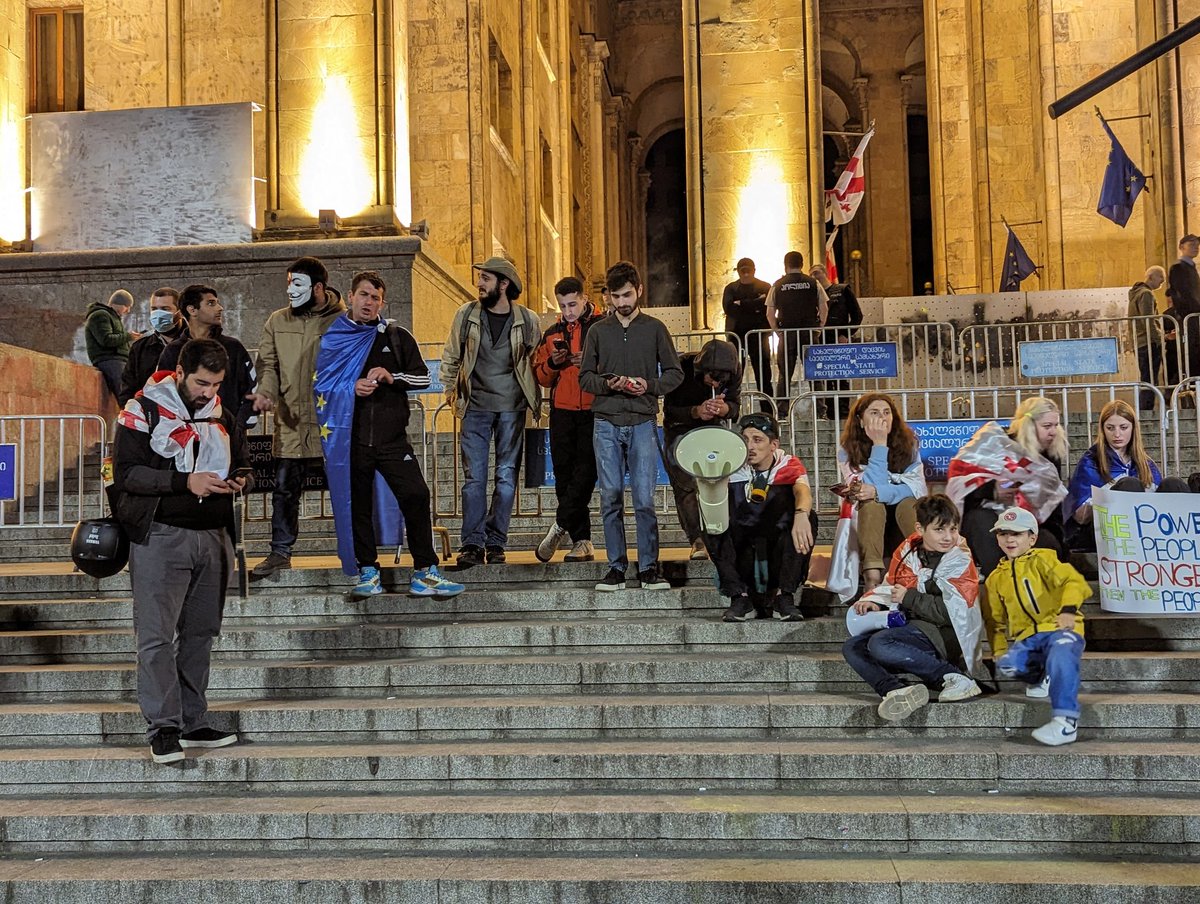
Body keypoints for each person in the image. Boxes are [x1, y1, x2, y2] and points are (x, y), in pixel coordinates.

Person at [111, 339, 249, 764]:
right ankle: (163, 727)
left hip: (213, 536)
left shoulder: (221, 414)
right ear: (179, 373)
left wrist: (242, 478)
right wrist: (183, 482)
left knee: (200, 635)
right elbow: (127, 473)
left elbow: (241, 459)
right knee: (155, 637)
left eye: (217, 384)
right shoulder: (143, 410)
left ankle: (194, 721)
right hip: (162, 535)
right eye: (201, 383)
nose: (209, 392)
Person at [314, 271, 464, 600]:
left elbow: (425, 379)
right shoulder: (335, 338)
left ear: (383, 302)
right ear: (351, 297)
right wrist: (350, 387)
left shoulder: (396, 336)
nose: (369, 302)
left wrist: (391, 375)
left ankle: (425, 571)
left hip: (393, 439)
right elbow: (321, 385)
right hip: (351, 440)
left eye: (376, 297)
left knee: (416, 495)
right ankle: (368, 571)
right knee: (359, 506)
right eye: (364, 295)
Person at [579, 260, 684, 591]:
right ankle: (616, 565)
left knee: (643, 499)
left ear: (639, 290)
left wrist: (648, 385)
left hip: (641, 419)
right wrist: (609, 384)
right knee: (610, 496)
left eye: (627, 295)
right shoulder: (597, 331)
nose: (622, 303)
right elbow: (585, 377)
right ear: (608, 296)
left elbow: (675, 373)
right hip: (606, 420)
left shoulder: (654, 328)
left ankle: (649, 566)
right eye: (615, 297)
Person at [841, 494, 984, 721]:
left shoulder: (959, 559)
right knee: (852, 646)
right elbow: (891, 584)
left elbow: (953, 613)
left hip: (945, 635)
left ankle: (954, 677)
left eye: (953, 529)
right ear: (920, 528)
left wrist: (909, 597)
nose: (949, 537)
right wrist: (875, 601)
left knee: (881, 643)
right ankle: (895, 690)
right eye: (940, 530)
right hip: (912, 627)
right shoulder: (908, 550)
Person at [246, 257, 346, 578]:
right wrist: (266, 393)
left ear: (318, 288)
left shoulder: (343, 321)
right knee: (285, 489)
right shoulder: (277, 321)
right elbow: (268, 364)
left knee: (346, 488)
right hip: (290, 423)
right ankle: (280, 551)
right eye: (289, 283)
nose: (290, 290)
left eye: (298, 284)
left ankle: (357, 547)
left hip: (331, 423)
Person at [440, 256, 542, 568]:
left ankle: (496, 542)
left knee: (506, 477)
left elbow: (535, 360)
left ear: (504, 283)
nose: (479, 284)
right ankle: (472, 542)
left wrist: (535, 401)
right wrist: (449, 390)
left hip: (512, 408)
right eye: (480, 277)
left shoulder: (527, 319)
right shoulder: (467, 314)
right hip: (475, 407)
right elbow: (451, 355)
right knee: (474, 479)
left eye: (485, 278)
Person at [986, 506, 1091, 745]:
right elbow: (994, 619)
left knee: (1062, 653)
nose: (1009, 539)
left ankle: (1066, 721)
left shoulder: (1044, 559)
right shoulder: (995, 578)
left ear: (1032, 538)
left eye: (1017, 533)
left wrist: (1067, 610)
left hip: (1059, 628)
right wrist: (999, 649)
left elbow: (1073, 581)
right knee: (1010, 665)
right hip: (1029, 638)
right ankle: (1040, 675)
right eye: (1003, 533)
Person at [708, 413, 816, 622]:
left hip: (776, 543)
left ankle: (783, 596)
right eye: (745, 440)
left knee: (807, 517)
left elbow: (803, 492)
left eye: (757, 440)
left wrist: (802, 515)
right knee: (712, 519)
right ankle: (739, 597)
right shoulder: (730, 465)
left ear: (773, 444)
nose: (750, 447)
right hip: (743, 545)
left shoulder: (788, 464)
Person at [826, 393, 927, 601]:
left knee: (909, 504)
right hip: (868, 516)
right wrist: (879, 444)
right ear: (861, 420)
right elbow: (867, 487)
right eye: (874, 413)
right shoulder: (847, 450)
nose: (882, 418)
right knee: (871, 503)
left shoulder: (910, 443)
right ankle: (872, 575)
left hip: (900, 512)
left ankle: (922, 565)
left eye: (886, 413)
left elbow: (915, 488)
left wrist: (881, 492)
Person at [953, 397, 1069, 577]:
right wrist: (992, 490)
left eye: (1056, 425)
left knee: (1046, 543)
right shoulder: (995, 444)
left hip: (1031, 521)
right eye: (1047, 426)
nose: (1053, 432)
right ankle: (1002, 584)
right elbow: (962, 485)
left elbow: (1052, 504)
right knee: (984, 526)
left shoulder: (1051, 457)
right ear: (1029, 425)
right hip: (989, 516)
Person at [532, 276, 604, 563]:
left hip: (594, 408)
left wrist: (590, 363)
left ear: (585, 298)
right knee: (564, 476)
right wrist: (554, 363)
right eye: (563, 306)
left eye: (573, 304)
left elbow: (617, 363)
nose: (568, 311)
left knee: (585, 474)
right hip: (562, 410)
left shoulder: (603, 327)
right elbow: (540, 375)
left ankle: (559, 525)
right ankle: (581, 540)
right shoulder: (552, 333)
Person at [1063, 399, 1189, 550]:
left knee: (1173, 484)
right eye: (1110, 428)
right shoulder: (1091, 461)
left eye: (1123, 427)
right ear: (1103, 430)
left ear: (1133, 428)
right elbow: (1079, 518)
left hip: (1146, 527)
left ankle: (1184, 548)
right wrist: (1108, 498)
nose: (1117, 434)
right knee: (1129, 485)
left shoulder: (1146, 463)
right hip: (1104, 531)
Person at [664, 338, 743, 560]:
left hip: (712, 429)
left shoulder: (734, 370)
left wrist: (725, 408)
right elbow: (669, 411)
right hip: (679, 429)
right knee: (685, 485)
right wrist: (696, 412)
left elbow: (735, 406)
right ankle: (697, 540)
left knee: (717, 482)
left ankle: (719, 535)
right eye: (712, 379)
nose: (716, 385)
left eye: (721, 381)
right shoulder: (680, 367)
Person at [157, 285, 257, 428]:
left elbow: (252, 389)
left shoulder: (234, 348)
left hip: (228, 437)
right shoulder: (172, 351)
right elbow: (162, 394)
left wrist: (237, 427)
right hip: (184, 440)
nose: (220, 308)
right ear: (192, 310)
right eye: (211, 303)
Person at [765, 251, 827, 404]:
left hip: (787, 333)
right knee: (815, 371)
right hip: (809, 332)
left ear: (786, 265)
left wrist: (777, 331)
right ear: (802, 265)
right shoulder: (813, 283)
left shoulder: (777, 285)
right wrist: (820, 326)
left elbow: (769, 312)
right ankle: (820, 410)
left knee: (784, 373)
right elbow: (824, 306)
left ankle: (782, 409)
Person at [812, 264, 862, 418]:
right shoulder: (812, 294)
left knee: (841, 376)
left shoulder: (842, 290)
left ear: (825, 273)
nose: (815, 276)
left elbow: (857, 315)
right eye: (811, 274)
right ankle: (830, 413)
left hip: (839, 340)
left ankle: (843, 413)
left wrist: (846, 334)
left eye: (817, 272)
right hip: (820, 341)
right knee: (824, 377)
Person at [119, 287, 183, 407]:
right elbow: (128, 386)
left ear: (179, 312)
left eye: (165, 309)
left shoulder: (194, 343)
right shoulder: (140, 347)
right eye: (154, 309)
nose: (158, 314)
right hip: (149, 416)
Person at [721, 258, 773, 401]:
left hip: (759, 337)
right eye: (743, 271)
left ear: (754, 270)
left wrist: (742, 303)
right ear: (738, 271)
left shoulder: (765, 286)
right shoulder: (731, 288)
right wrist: (755, 303)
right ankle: (731, 411)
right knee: (733, 376)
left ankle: (768, 411)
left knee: (764, 376)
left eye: (748, 271)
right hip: (737, 337)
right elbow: (729, 309)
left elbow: (766, 306)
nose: (745, 274)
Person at [85, 289, 137, 399]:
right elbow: (106, 340)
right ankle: (129, 414)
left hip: (118, 360)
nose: (128, 310)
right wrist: (128, 336)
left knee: (129, 391)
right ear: (117, 304)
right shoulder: (100, 315)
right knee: (124, 393)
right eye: (127, 306)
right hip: (110, 360)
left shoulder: (113, 317)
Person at [1128, 265, 1166, 410]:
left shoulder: (1135, 294)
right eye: (1160, 276)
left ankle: (1145, 408)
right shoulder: (1146, 294)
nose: (1162, 280)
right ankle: (1146, 409)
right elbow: (1148, 320)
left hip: (1140, 342)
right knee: (1150, 378)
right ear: (1151, 277)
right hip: (1149, 341)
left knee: (1146, 377)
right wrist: (1158, 339)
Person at [1167, 233, 1200, 378]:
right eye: (1191, 244)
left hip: (1193, 318)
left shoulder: (1191, 268)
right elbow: (1182, 295)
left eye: (1197, 245)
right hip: (1189, 319)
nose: (1196, 247)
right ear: (1181, 247)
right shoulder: (1178, 268)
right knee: (1191, 357)